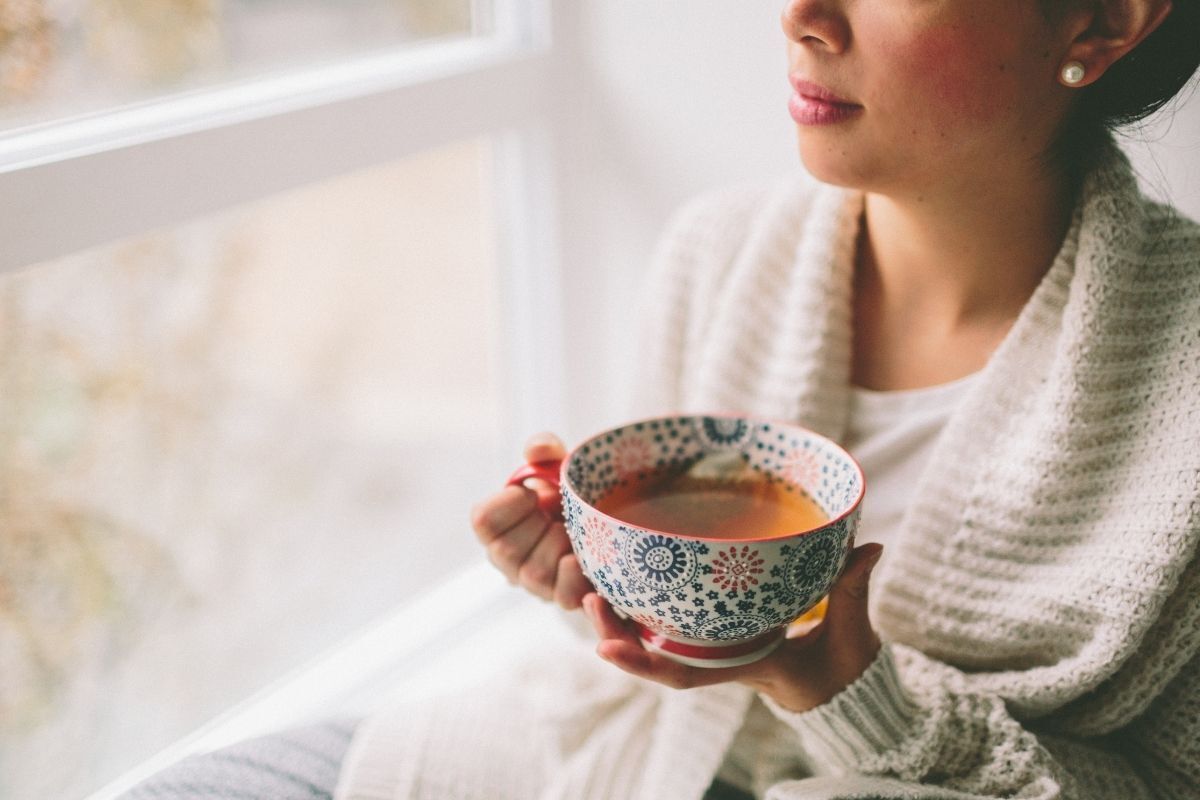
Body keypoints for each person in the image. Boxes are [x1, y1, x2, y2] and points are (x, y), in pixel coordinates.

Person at [125, 1, 1200, 798]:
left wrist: (843, 681)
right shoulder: (719, 254)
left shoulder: (1182, 381)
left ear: (1103, 21)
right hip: (615, 758)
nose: (803, 18)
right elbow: (661, 643)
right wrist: (595, 570)